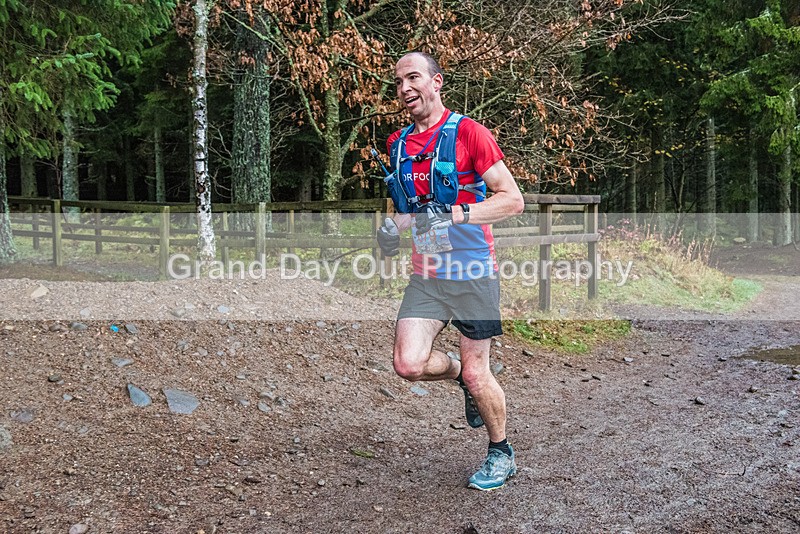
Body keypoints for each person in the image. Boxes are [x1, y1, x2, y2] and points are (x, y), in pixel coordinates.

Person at [376, 51, 525, 491]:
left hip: (474, 272)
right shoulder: (397, 144)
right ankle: (458, 373)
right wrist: (392, 228)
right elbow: (411, 210)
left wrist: (455, 214)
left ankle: (501, 453)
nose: (405, 88)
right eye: (399, 81)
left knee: (481, 374)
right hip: (427, 275)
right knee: (408, 364)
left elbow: (512, 200)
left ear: (436, 82)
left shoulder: (469, 133)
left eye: (413, 77)